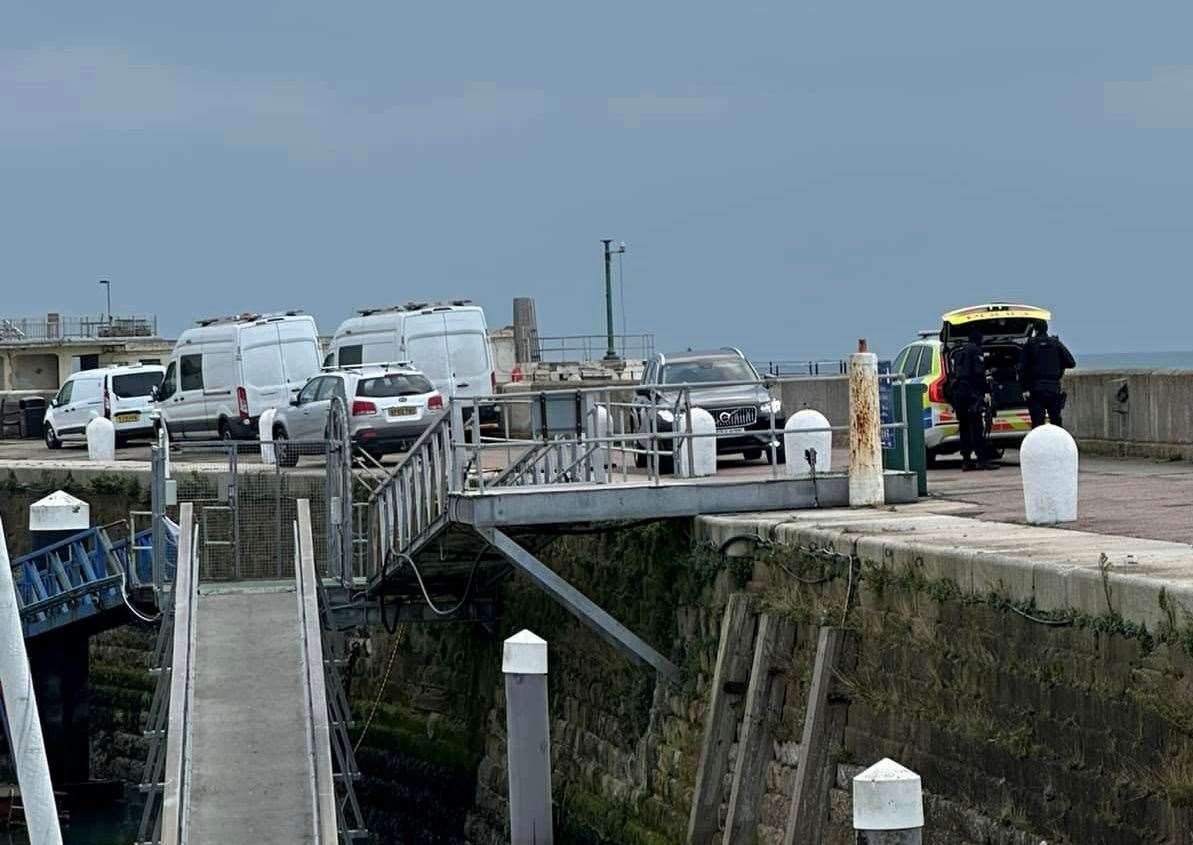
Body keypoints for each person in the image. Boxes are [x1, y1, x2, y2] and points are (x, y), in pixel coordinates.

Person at [946, 328, 998, 471]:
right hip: (971, 394)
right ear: (979, 340)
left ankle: (966, 461)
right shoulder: (976, 351)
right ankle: (981, 460)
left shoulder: (958, 352)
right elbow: (979, 373)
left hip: (959, 395)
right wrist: (986, 391)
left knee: (964, 428)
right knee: (976, 428)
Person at [1018, 321, 1076, 428]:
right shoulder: (1055, 343)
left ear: (1035, 330)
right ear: (1046, 329)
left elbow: (1022, 368)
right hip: (1053, 388)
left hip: (1036, 390)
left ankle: (1038, 444)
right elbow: (1071, 363)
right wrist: (1058, 365)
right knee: (1056, 421)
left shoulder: (1030, 344)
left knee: (1037, 423)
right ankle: (1057, 444)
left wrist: (1024, 388)